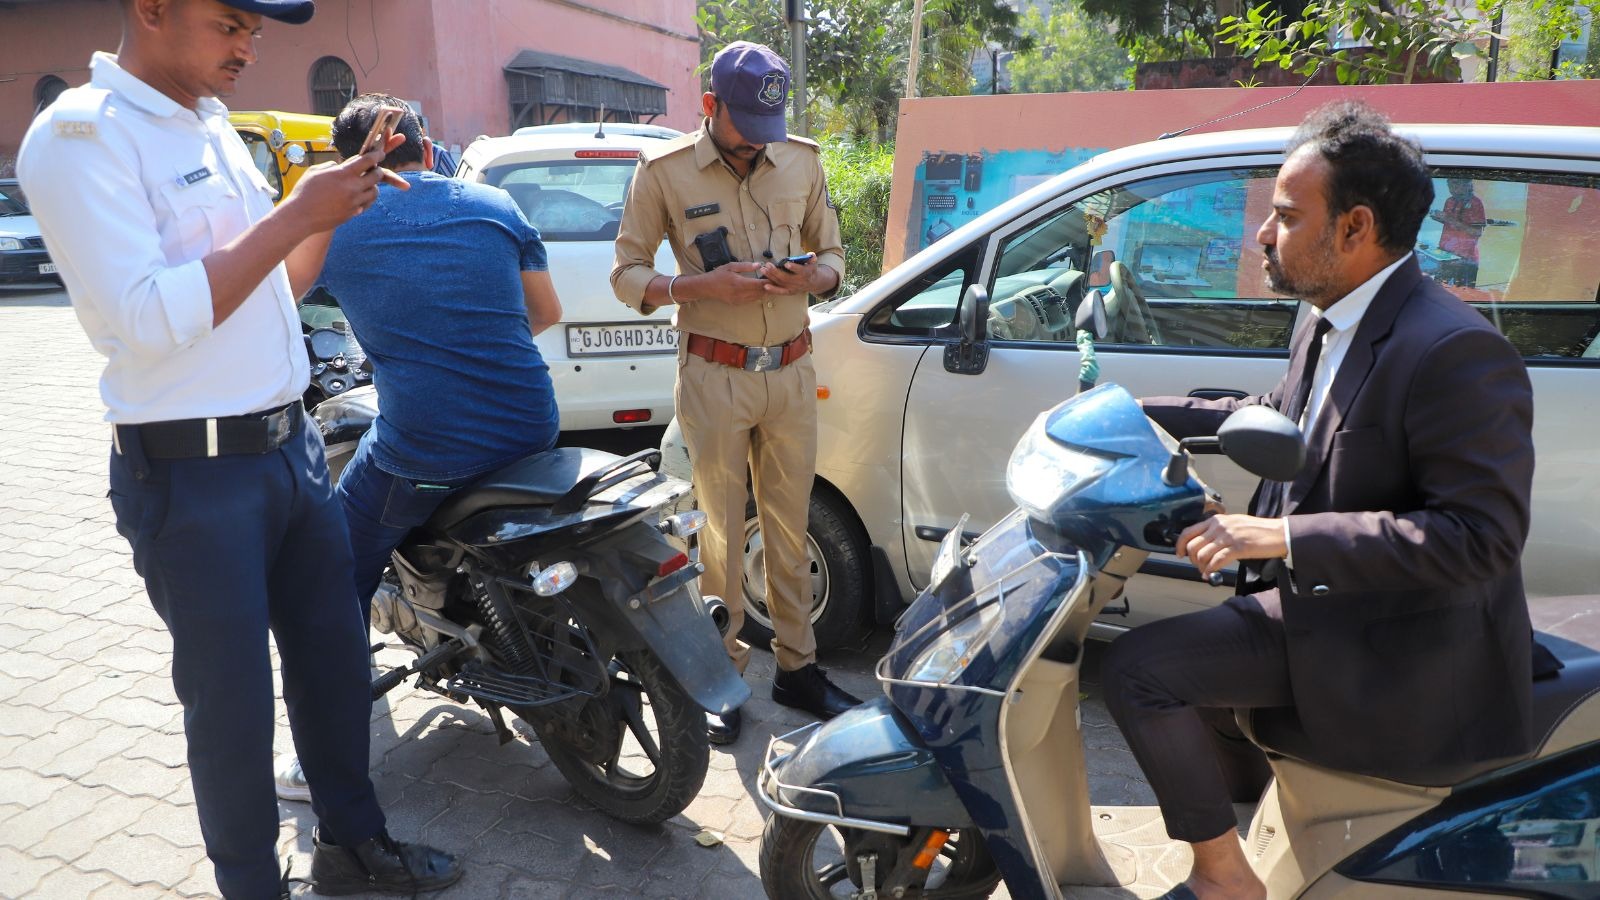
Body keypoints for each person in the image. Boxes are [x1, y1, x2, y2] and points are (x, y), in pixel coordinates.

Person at [16, 2, 461, 897]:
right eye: (230, 24)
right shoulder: (79, 136)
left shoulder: (212, 128)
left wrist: (332, 205)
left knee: (335, 665)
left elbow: (278, 287)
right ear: (151, 8)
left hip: (290, 447)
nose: (249, 47)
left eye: (256, 31)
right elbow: (146, 319)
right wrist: (294, 214)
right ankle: (252, 884)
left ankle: (353, 845)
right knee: (232, 705)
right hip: (192, 471)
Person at [1101, 101, 1536, 900]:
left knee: (1137, 670)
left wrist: (1284, 538)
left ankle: (1224, 880)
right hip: (1325, 607)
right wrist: (1132, 412)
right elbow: (1282, 417)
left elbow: (1481, 535)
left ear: (1354, 228)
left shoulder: (1453, 349)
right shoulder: (1332, 316)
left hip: (1394, 639)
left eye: (1286, 216)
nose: (1263, 235)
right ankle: (1268, 825)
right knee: (1195, 673)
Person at [271, 93, 563, 803]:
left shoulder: (338, 226)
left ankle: (321, 758)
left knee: (329, 572)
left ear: (349, 165)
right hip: (533, 425)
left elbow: (278, 299)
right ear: (429, 150)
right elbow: (546, 313)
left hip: (426, 449)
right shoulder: (496, 206)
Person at [611, 41, 858, 745]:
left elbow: (835, 256)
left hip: (791, 372)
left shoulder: (801, 161)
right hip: (714, 376)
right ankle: (721, 677)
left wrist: (813, 277)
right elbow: (627, 275)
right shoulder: (663, 172)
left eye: (766, 127)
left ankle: (798, 670)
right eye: (745, 125)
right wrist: (700, 287)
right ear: (710, 106)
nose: (757, 141)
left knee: (789, 528)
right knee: (717, 534)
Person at [1430, 177, 1486, 286]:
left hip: (1465, 259)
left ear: (1467, 185)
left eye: (1455, 183)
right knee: (1438, 290)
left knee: (1462, 293)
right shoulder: (1449, 201)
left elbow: (1477, 232)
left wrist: (1449, 219)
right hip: (1445, 256)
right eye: (1449, 184)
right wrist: (1439, 218)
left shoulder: (1476, 203)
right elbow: (1452, 224)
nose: (1451, 188)